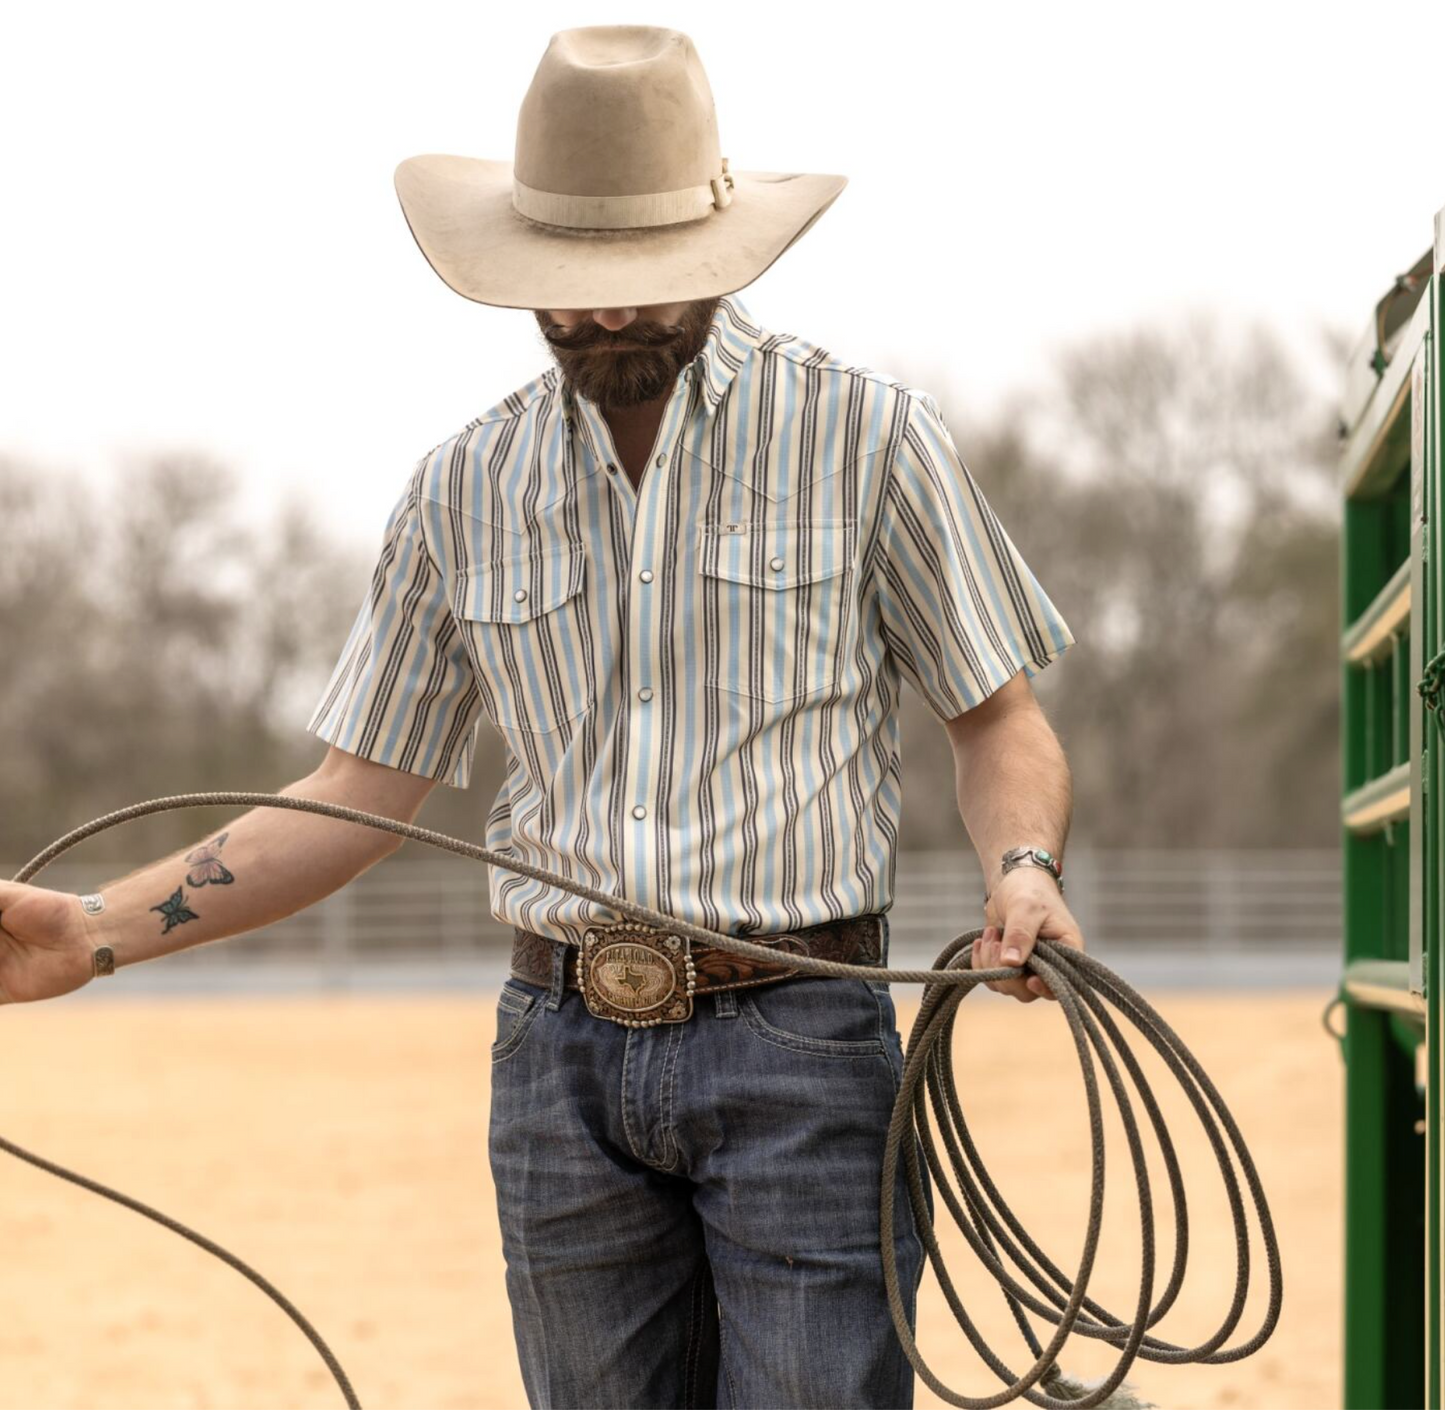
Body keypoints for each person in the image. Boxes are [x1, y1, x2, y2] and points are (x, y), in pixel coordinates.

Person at [0, 24, 1087, 1410]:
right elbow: (355, 793)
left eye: (638, 285)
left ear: (714, 248)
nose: (602, 319)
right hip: (557, 1061)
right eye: (568, 290)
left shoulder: (868, 438)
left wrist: (1025, 871)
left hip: (806, 1046)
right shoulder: (464, 490)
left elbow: (999, 720)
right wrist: (96, 930)